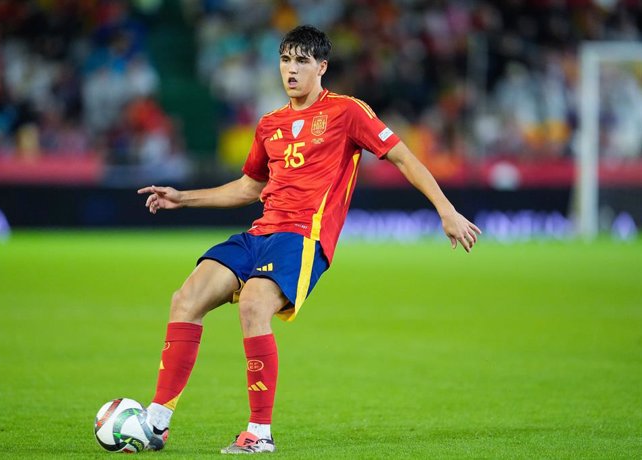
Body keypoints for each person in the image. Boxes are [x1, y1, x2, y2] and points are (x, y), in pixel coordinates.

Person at [137, 25, 481, 455]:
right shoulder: (269, 125)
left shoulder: (347, 112)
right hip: (259, 233)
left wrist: (446, 211)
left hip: (302, 237)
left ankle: (259, 433)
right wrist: (182, 197)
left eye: (302, 61)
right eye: (285, 60)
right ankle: (155, 423)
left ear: (322, 67)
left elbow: (402, 156)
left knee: (253, 304)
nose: (292, 70)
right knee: (185, 298)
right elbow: (249, 188)